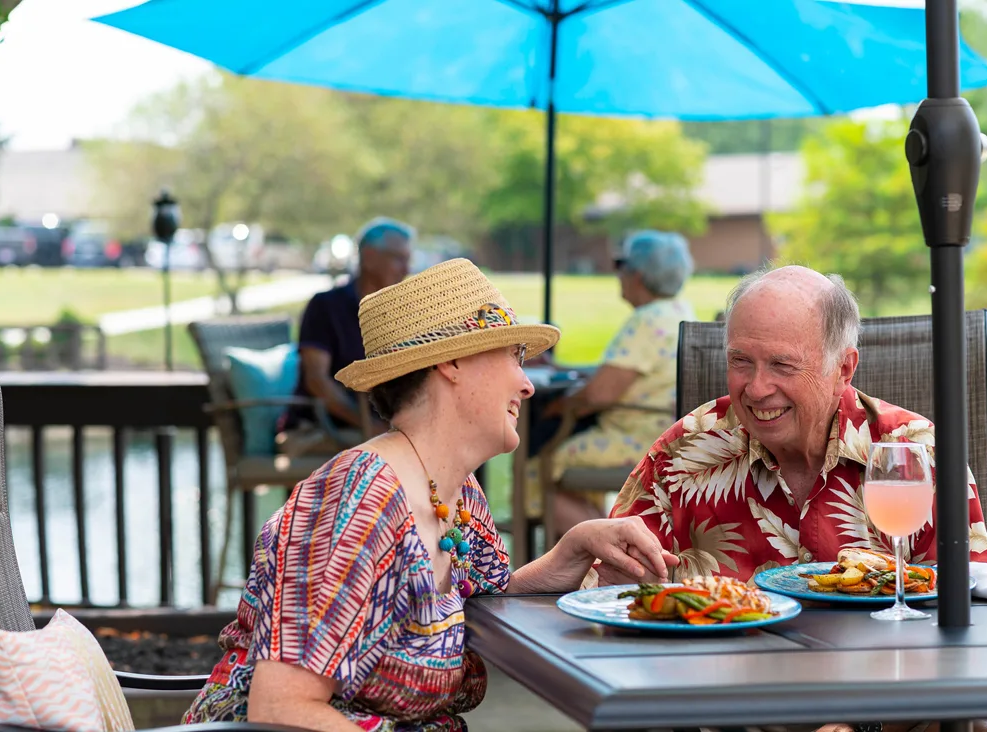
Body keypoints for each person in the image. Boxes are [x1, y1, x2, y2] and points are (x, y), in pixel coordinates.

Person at [183, 258, 678, 731]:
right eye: (514, 356)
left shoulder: (456, 495)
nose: (527, 384)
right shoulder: (359, 500)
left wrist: (572, 549)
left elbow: (484, 599)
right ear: (453, 362)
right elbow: (281, 709)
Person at [593, 264, 987, 589]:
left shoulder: (917, 453)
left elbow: (974, 596)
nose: (757, 388)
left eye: (782, 365)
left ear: (843, 369)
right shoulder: (681, 454)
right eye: (740, 361)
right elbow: (605, 591)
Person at [528, 230, 697, 537]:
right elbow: (622, 370)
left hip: (634, 439)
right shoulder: (677, 311)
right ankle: (607, 541)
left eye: (621, 264)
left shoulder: (646, 321)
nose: (617, 272)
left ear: (638, 275)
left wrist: (559, 406)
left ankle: (607, 547)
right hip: (666, 434)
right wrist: (560, 368)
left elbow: (598, 395)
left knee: (538, 464)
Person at [276, 217, 414, 455]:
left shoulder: (400, 313)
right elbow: (317, 380)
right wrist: (370, 425)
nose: (406, 270)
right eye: (398, 259)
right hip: (317, 430)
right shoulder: (325, 307)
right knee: (405, 453)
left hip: (379, 432)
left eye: (408, 260)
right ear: (369, 257)